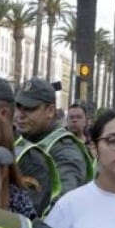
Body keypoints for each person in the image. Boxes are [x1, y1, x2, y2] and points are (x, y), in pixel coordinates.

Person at [12, 78, 95, 217]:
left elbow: (63, 203)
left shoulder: (66, 151)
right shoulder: (18, 138)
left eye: (29, 109)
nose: (20, 115)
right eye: (18, 107)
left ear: (50, 111)